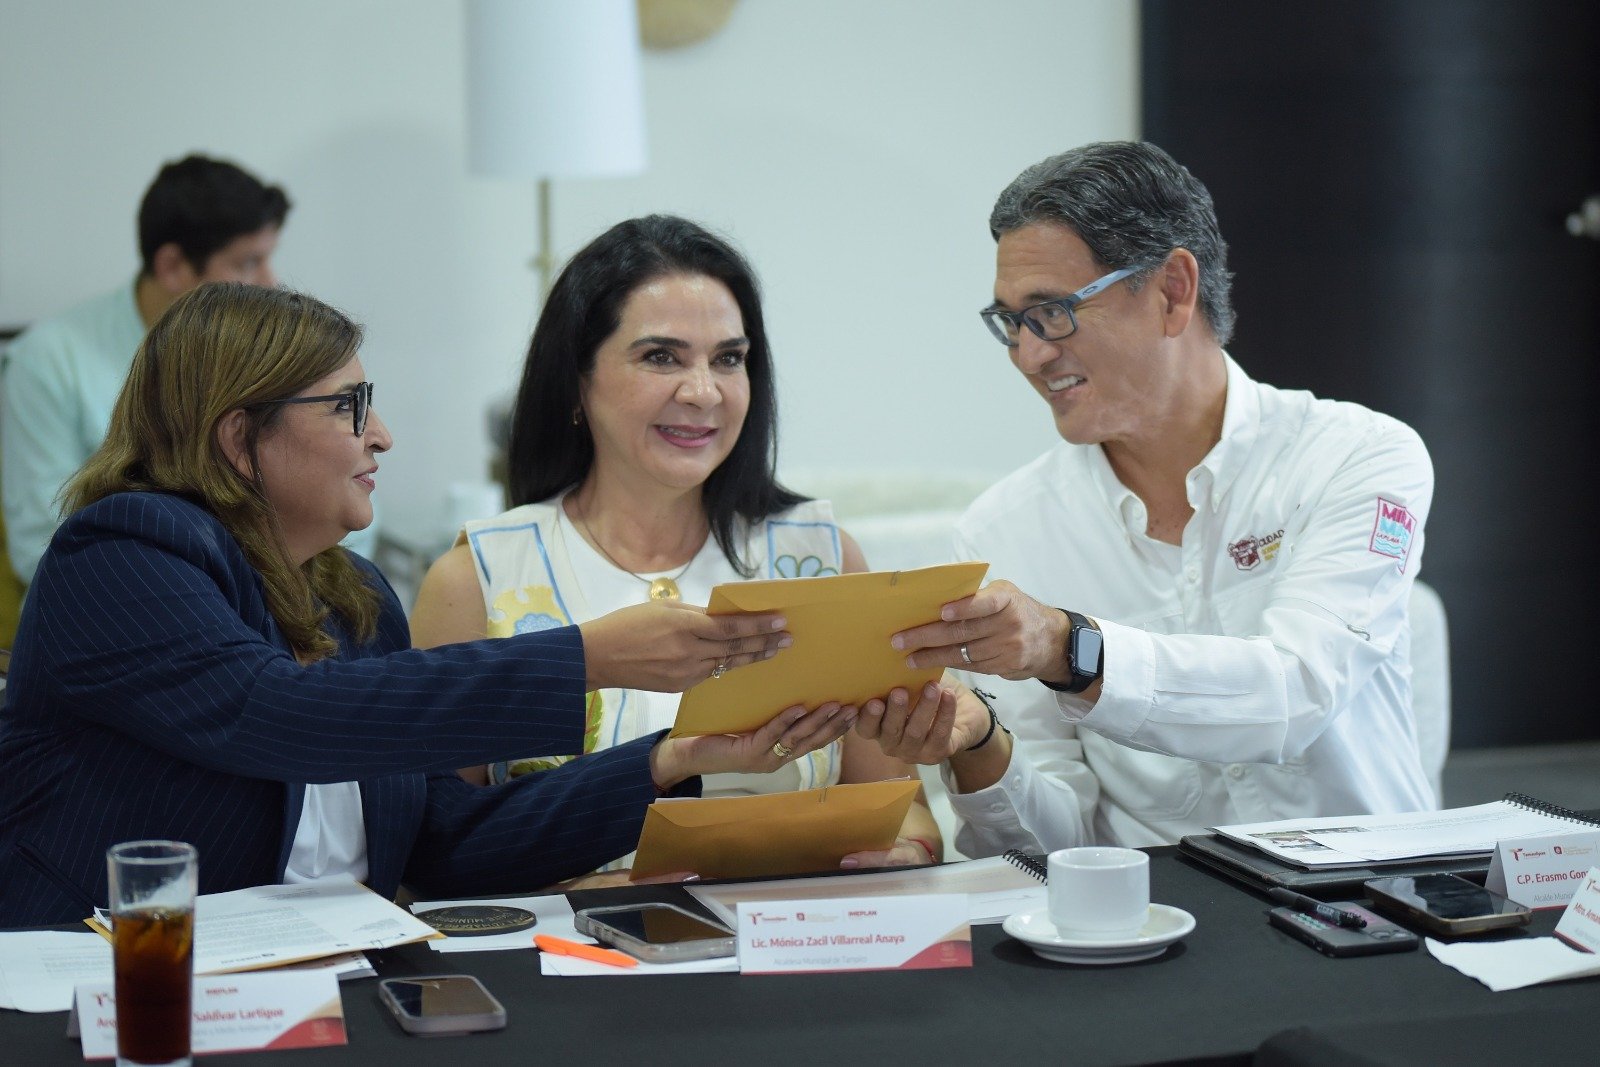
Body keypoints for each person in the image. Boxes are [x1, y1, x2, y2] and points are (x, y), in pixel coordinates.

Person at [0, 282, 851, 927]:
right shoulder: (122, 551)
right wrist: (587, 657)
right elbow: (278, 712)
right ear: (238, 436)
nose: (382, 435)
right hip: (100, 987)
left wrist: (671, 761)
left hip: (325, 988)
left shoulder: (353, 595)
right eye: (350, 407)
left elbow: (448, 845)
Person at [864, 141, 1435, 855]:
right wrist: (981, 747)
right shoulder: (1005, 529)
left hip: (1372, 888)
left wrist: (1069, 647)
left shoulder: (1356, 456)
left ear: (1172, 291)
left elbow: (1295, 695)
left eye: (1052, 312)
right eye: (1011, 322)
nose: (1030, 355)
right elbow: (1054, 844)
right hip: (1157, 908)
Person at [411, 215, 947, 868]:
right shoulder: (479, 578)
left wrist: (910, 846)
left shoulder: (820, 557)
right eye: (660, 357)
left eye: (728, 359)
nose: (702, 392)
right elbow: (433, 852)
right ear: (576, 379)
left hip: (795, 923)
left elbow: (901, 804)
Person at [0, 153, 370, 593]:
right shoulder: (47, 360)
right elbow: (41, 546)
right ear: (173, 266)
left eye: (268, 259)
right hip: (131, 599)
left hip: (285, 592)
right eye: (247, 263)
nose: (270, 282)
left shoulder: (274, 353)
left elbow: (347, 493)